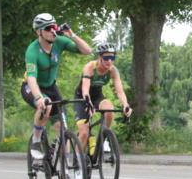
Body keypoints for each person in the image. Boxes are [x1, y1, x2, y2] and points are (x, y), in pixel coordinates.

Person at [22, 13, 93, 164]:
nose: (53, 31)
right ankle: (36, 140)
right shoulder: (32, 50)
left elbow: (87, 51)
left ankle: (66, 169)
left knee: (62, 128)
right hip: (31, 86)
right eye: (48, 28)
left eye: (54, 27)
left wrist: (72, 35)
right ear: (38, 32)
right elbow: (31, 78)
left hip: (51, 86)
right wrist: (38, 97)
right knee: (45, 106)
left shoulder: (60, 42)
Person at [74, 43, 133, 152]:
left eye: (112, 58)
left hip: (97, 95)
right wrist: (88, 103)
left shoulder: (113, 71)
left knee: (109, 109)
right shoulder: (90, 67)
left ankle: (104, 138)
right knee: (84, 132)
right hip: (82, 97)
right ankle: (78, 161)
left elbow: (120, 91)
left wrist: (125, 105)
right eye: (106, 58)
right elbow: (85, 89)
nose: (109, 61)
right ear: (99, 57)